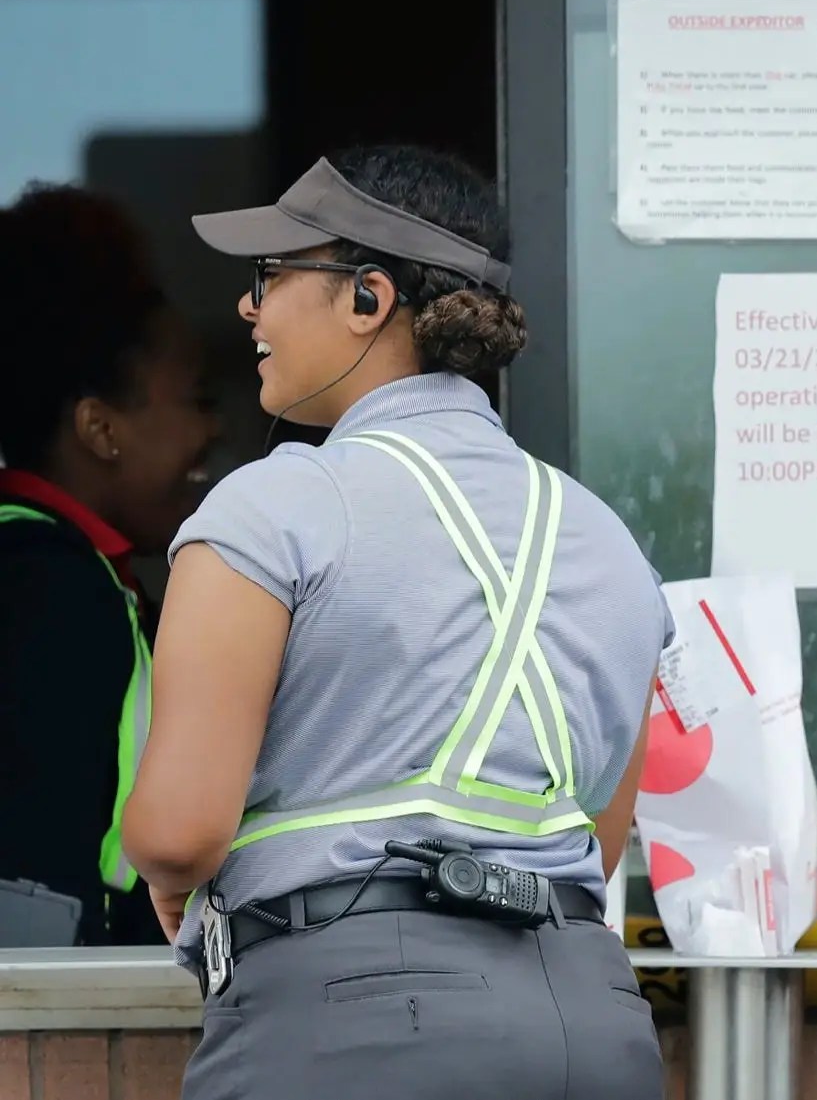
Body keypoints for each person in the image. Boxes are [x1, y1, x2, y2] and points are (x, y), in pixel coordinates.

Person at [120, 146, 670, 1100]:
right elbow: (595, 838)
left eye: (272, 275)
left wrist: (180, 867)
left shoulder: (276, 505)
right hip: (594, 1021)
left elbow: (177, 832)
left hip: (354, 1022)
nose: (249, 308)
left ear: (367, 299)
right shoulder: (612, 543)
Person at [0, 184, 218, 946]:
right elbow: (37, 887)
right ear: (99, 427)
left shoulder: (72, 574)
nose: (213, 433)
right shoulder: (49, 591)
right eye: (196, 399)